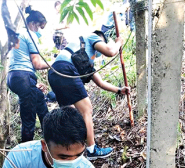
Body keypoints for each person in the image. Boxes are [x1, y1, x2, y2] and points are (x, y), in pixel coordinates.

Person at [47, 31, 130, 160]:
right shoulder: (92, 37)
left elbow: (100, 83)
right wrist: (118, 42)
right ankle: (92, 149)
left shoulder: (85, 58)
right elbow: (110, 51)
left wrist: (120, 90)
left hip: (54, 73)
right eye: (101, 42)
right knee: (87, 110)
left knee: (70, 113)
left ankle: (68, 149)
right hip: (65, 69)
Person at [7, 6, 50, 142]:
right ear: (32, 24)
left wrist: (33, 83)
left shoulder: (18, 34)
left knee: (40, 103)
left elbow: (21, 60)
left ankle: (52, 139)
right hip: (23, 76)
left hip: (14, 77)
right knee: (29, 120)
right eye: (39, 27)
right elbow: (36, 64)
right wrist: (54, 63)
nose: (38, 31)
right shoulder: (30, 35)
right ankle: (26, 152)